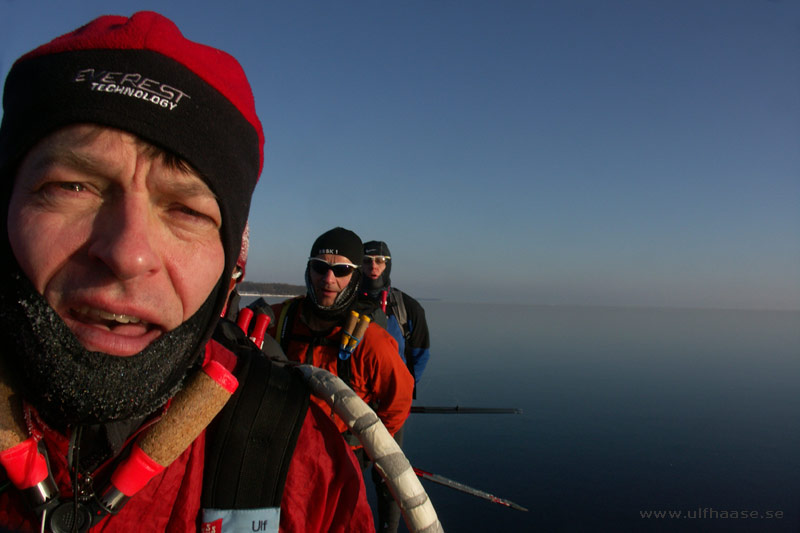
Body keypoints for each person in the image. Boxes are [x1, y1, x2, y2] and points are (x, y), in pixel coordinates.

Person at [0, 12, 373, 533]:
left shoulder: (302, 462)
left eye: (187, 210)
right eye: (72, 187)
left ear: (230, 263)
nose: (129, 254)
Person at [270, 228, 414, 443]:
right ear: (309, 269)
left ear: (356, 276)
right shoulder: (279, 320)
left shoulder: (372, 342)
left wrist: (366, 443)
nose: (328, 279)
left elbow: (398, 401)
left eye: (341, 270)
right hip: (281, 448)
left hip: (337, 460)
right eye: (320, 267)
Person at [360, 240, 431, 532]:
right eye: (367, 261)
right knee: (343, 471)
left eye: (380, 261)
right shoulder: (344, 301)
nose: (373, 267)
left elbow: (420, 355)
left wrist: (401, 393)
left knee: (388, 477)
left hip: (391, 409)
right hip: (349, 403)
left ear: (388, 265)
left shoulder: (407, 308)